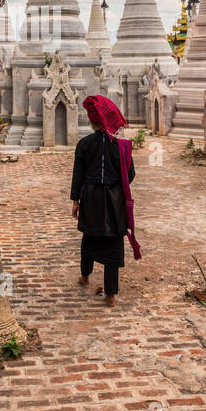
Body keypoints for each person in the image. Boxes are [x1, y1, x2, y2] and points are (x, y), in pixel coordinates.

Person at [70, 94, 135, 307]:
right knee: (113, 241)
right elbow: (130, 174)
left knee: (90, 235)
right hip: (114, 201)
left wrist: (75, 200)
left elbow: (77, 175)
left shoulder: (84, 144)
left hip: (90, 197)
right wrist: (115, 184)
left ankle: (85, 276)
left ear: (91, 120)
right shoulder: (122, 147)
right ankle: (111, 295)